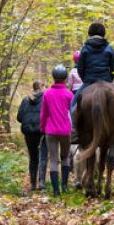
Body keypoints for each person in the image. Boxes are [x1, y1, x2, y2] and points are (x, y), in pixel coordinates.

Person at [70, 22, 114, 143]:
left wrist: (85, 80)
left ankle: (74, 132)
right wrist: (110, 81)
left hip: (89, 81)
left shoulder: (85, 48)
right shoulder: (109, 48)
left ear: (90, 34)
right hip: (106, 81)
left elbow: (80, 68)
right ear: (103, 34)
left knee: (72, 106)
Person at [40, 65, 74, 196]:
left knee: (53, 159)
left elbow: (43, 114)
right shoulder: (69, 94)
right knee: (66, 157)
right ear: (65, 78)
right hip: (65, 131)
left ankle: (55, 190)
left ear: (53, 77)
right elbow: (72, 113)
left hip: (50, 131)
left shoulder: (47, 93)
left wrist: (42, 128)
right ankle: (64, 186)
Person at [17, 80, 46, 191]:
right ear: (41, 87)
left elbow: (19, 117)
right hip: (41, 131)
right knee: (43, 156)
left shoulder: (25, 100)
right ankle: (41, 183)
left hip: (28, 132)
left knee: (33, 157)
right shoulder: (45, 99)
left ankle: (33, 184)